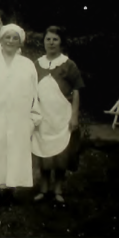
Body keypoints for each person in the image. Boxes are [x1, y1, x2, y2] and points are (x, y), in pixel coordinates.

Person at [0, 24, 41, 191]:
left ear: (20, 42)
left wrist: (32, 121)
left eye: (15, 38)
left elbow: (34, 96)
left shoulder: (27, 65)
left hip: (19, 119)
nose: (10, 41)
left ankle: (11, 190)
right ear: (1, 40)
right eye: (7, 37)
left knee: (16, 155)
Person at [32, 26, 85, 203]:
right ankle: (44, 188)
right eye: (48, 39)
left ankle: (58, 189)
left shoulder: (68, 64)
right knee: (44, 152)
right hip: (43, 116)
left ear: (61, 42)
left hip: (62, 116)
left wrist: (74, 116)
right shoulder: (37, 64)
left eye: (55, 39)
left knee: (61, 154)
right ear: (44, 41)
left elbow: (77, 90)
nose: (51, 43)